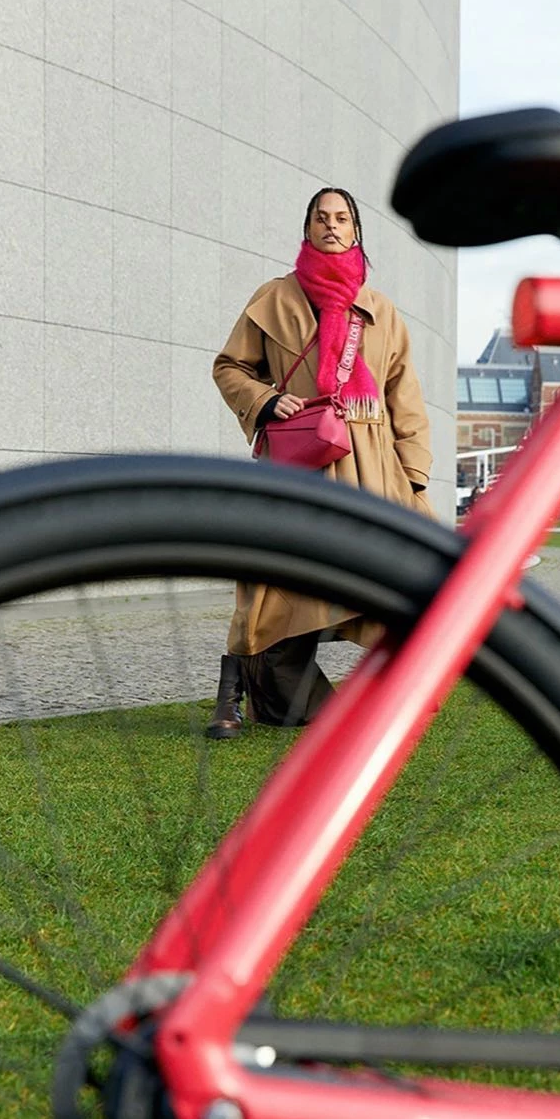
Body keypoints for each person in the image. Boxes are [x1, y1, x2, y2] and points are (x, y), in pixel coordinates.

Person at [205, 187, 433, 739]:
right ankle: (232, 696)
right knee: (271, 582)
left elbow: (405, 397)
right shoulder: (273, 299)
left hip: (372, 467)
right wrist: (264, 400)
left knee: (391, 581)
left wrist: (415, 476)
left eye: (343, 218)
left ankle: (396, 695)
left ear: (356, 231)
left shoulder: (381, 311)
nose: (332, 226)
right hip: (300, 459)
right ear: (306, 229)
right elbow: (230, 367)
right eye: (321, 217)